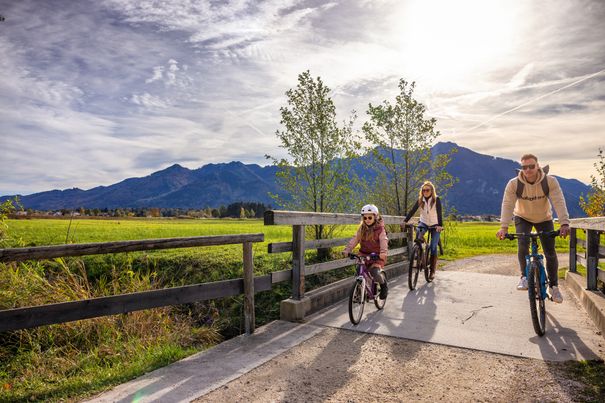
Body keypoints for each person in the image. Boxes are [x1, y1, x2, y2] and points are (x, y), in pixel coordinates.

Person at [496, 153, 570, 303]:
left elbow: (559, 201)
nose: (528, 170)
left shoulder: (549, 181)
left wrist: (564, 223)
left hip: (544, 218)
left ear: (537, 166)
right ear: (521, 168)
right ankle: (524, 277)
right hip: (522, 217)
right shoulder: (514, 184)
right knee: (523, 244)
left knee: (550, 252)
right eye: (524, 167)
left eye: (531, 166)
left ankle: (554, 287)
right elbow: (508, 204)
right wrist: (504, 227)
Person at [343, 204, 389, 299]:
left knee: (375, 272)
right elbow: (355, 239)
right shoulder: (362, 229)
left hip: (376, 256)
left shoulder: (380, 229)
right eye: (365, 218)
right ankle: (360, 290)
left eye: (370, 217)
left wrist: (383, 253)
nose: (367, 220)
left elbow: (384, 241)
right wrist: (347, 249)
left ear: (375, 217)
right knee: (359, 271)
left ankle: (384, 286)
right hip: (363, 254)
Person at [402, 181, 443, 281]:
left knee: (433, 247)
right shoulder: (420, 200)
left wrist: (440, 225)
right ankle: (420, 255)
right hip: (424, 222)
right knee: (418, 235)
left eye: (427, 190)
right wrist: (405, 221)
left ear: (431, 191)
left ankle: (432, 271)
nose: (425, 192)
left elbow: (439, 213)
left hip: (435, 224)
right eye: (423, 190)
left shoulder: (436, 199)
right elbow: (412, 211)